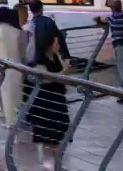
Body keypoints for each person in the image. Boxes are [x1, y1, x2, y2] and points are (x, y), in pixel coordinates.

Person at [27, 32, 70, 168]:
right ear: (49, 45)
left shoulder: (56, 57)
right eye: (56, 43)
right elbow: (47, 78)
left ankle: (54, 159)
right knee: (52, 130)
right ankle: (53, 160)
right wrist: (64, 72)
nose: (58, 46)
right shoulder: (40, 62)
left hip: (58, 98)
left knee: (60, 128)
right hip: (47, 100)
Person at [0, 6, 25, 127]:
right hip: (17, 68)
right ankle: (15, 121)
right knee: (16, 97)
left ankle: (9, 122)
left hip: (3, 68)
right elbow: (22, 52)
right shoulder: (18, 32)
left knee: (6, 97)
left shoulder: (0, 31)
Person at [104, 0, 123, 105]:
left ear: (113, 8)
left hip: (120, 46)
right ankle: (122, 94)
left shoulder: (112, 19)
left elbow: (99, 21)